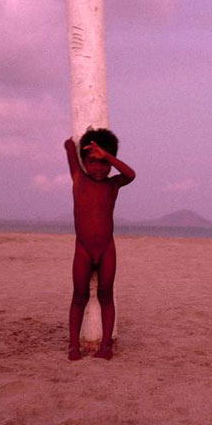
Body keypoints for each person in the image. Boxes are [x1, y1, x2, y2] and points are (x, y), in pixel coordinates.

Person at [64, 128, 136, 360]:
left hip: (107, 250)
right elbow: (68, 146)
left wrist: (108, 155)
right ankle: (73, 345)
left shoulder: (113, 184)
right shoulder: (78, 178)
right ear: (84, 163)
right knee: (79, 297)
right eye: (92, 162)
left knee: (106, 296)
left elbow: (131, 174)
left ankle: (106, 346)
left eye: (103, 163)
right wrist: (74, 143)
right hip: (83, 250)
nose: (98, 167)